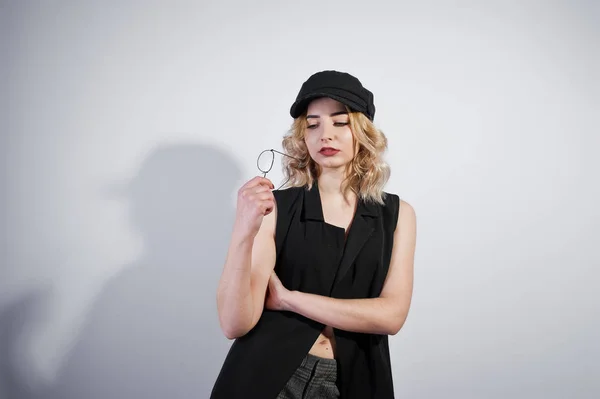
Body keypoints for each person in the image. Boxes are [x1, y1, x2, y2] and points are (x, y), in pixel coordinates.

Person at [210, 70, 417, 399]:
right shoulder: (276, 208)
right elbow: (235, 324)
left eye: (340, 122)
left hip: (355, 381)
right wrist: (244, 231)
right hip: (267, 376)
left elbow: (391, 316)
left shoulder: (397, 214)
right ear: (302, 136)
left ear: (363, 131)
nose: (325, 135)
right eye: (313, 123)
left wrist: (290, 299)